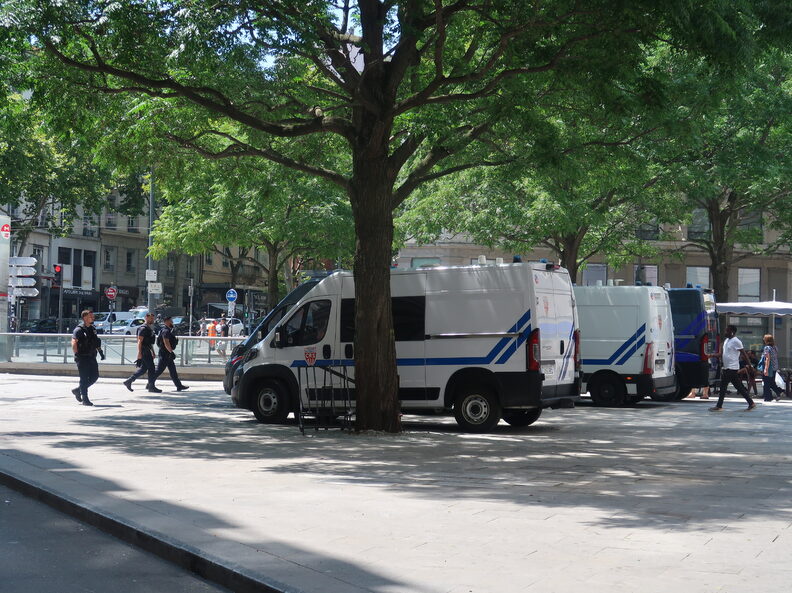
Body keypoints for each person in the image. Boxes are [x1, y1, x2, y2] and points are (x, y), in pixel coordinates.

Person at [709, 325, 756, 412]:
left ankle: (719, 405)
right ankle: (751, 403)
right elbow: (721, 354)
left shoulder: (736, 341)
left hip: (732, 368)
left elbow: (744, 354)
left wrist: (750, 366)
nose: (725, 332)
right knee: (738, 387)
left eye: (727, 331)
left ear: (732, 332)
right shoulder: (726, 341)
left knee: (723, 386)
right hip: (727, 367)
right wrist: (711, 355)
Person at [71, 309, 104, 406]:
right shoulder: (79, 330)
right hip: (82, 357)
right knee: (84, 378)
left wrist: (100, 352)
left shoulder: (92, 329)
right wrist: (77, 354)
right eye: (91, 316)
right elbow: (73, 342)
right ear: (85, 317)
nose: (93, 318)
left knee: (95, 376)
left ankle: (78, 390)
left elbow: (96, 342)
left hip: (91, 356)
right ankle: (85, 399)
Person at [122, 312, 161, 393]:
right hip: (144, 350)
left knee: (143, 369)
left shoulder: (148, 328)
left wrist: (153, 352)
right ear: (146, 318)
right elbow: (139, 341)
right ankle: (151, 386)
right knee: (151, 368)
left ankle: (129, 381)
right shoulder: (143, 328)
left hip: (147, 350)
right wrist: (139, 353)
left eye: (153, 318)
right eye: (151, 318)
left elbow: (150, 342)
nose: (152, 320)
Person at [153, 315, 189, 391]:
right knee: (159, 370)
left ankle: (179, 385)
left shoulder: (168, 330)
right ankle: (150, 384)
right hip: (165, 353)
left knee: (173, 371)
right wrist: (171, 352)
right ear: (166, 322)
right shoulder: (165, 330)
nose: (172, 322)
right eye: (170, 320)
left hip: (167, 354)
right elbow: (166, 342)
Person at [758, 334, 785, 402]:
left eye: (764, 339)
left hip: (769, 367)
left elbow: (767, 358)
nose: (763, 340)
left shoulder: (767, 348)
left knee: (766, 382)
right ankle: (779, 391)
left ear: (766, 340)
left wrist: (766, 369)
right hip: (774, 367)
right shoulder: (775, 347)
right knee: (771, 381)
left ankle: (768, 397)